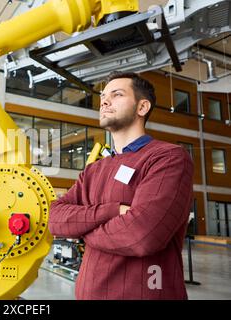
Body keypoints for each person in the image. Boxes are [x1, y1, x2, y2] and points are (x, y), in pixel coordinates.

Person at [49, 71, 194, 300]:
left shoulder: (168, 158)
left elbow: (142, 235)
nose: (104, 101)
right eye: (103, 96)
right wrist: (113, 210)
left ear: (142, 107)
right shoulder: (93, 170)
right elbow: (55, 218)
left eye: (116, 95)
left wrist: (81, 230)